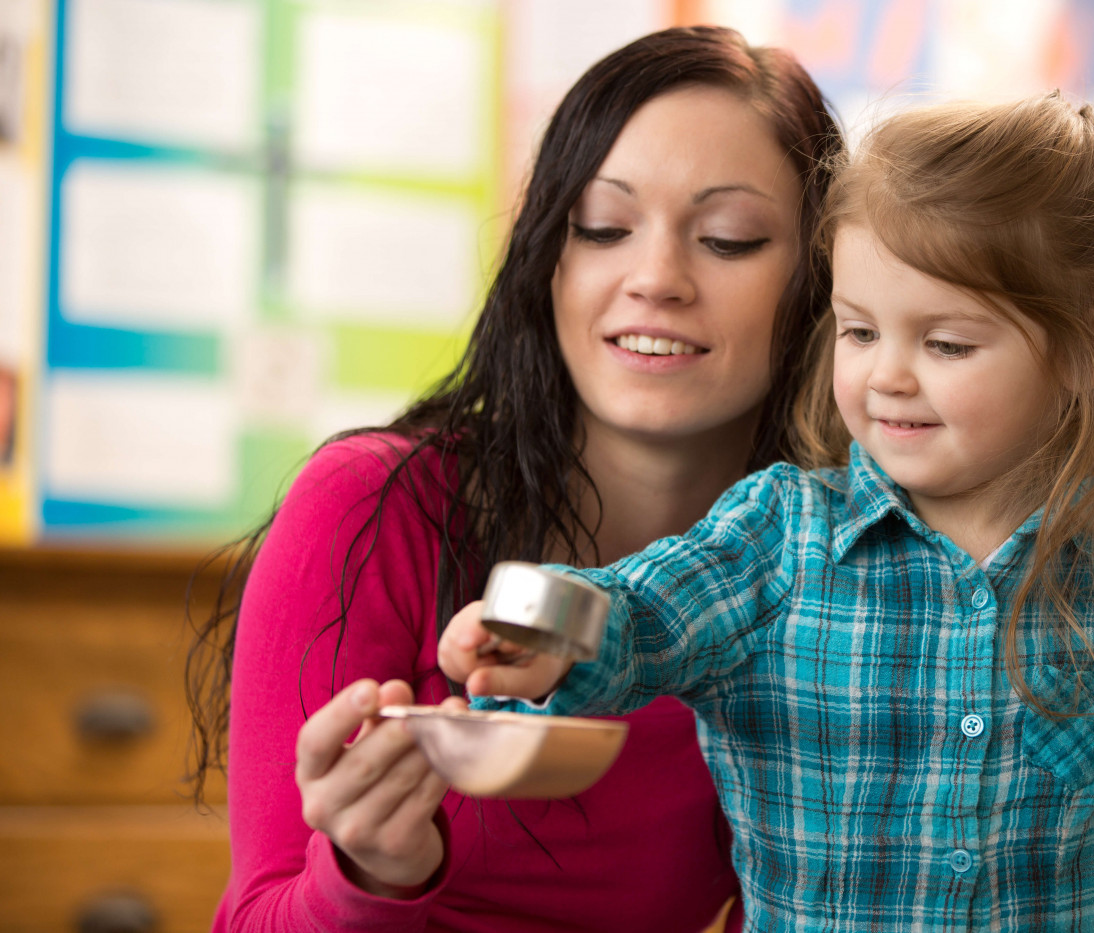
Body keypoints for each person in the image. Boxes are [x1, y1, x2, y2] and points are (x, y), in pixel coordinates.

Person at [440, 93, 1094, 932]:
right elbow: (636, 619)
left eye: (948, 341)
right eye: (859, 330)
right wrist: (545, 630)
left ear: (1092, 348)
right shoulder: (779, 535)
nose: (886, 375)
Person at [184, 25, 845, 932]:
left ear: (821, 284)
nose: (654, 278)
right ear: (549, 261)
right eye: (604, 228)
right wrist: (370, 874)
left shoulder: (827, 572)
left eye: (729, 239)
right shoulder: (374, 507)